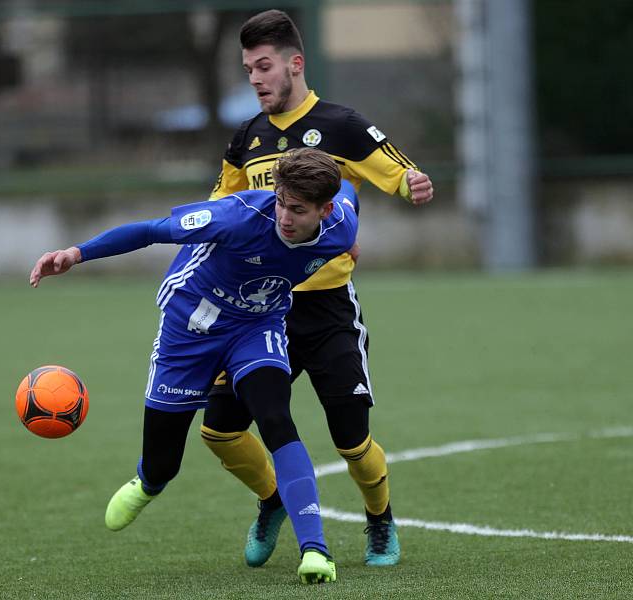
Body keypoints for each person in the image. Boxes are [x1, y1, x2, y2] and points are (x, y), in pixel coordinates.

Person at [29, 148, 359, 584]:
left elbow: (351, 189)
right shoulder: (234, 218)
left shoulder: (341, 222)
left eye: (298, 209)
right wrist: (77, 253)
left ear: (325, 209)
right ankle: (148, 482)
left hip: (256, 324)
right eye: (280, 201)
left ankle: (315, 550)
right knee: (165, 462)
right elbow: (150, 231)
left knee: (276, 417)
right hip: (191, 323)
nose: (284, 216)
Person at [198, 9, 435, 569]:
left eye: (263, 67)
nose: (255, 79)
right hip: (259, 312)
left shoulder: (342, 125)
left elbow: (395, 170)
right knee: (219, 429)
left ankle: (379, 520)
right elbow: (219, 208)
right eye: (248, 69)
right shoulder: (247, 137)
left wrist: (411, 182)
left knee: (352, 442)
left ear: (295, 64)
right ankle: (273, 499)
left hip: (326, 309)